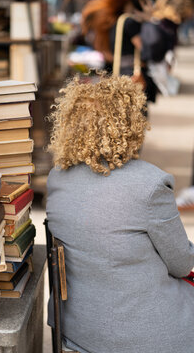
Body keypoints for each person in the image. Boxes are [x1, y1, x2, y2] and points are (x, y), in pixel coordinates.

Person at [46, 74, 194, 353]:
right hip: (144, 334)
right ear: (130, 124)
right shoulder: (150, 184)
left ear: (71, 123)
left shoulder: (58, 178)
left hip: (78, 328)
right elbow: (181, 264)